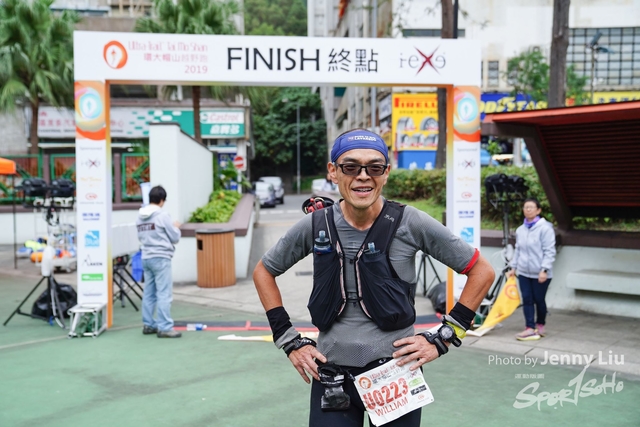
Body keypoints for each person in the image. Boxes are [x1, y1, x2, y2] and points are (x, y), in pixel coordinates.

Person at [253, 129, 495, 427]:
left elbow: (481, 270)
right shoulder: (316, 225)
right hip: (332, 375)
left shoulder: (410, 222)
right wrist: (289, 340)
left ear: (386, 173)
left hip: (397, 375)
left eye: (374, 167)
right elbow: (264, 271)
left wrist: (446, 335)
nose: (363, 176)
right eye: (351, 167)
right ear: (333, 171)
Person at [136, 185, 182, 338]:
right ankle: (165, 327)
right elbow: (174, 237)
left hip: (146, 257)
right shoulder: (162, 215)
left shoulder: (139, 216)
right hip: (161, 258)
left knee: (149, 293)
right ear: (162, 200)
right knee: (164, 293)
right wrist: (176, 227)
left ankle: (148, 324)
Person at [508, 197, 556, 341]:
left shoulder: (545, 228)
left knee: (539, 299)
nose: (528, 210)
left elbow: (549, 251)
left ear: (538, 210)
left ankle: (540, 324)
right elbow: (518, 250)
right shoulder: (520, 230)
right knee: (527, 299)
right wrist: (513, 267)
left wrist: (544, 270)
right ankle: (529, 327)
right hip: (524, 272)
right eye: (525, 207)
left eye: (531, 207)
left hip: (540, 273)